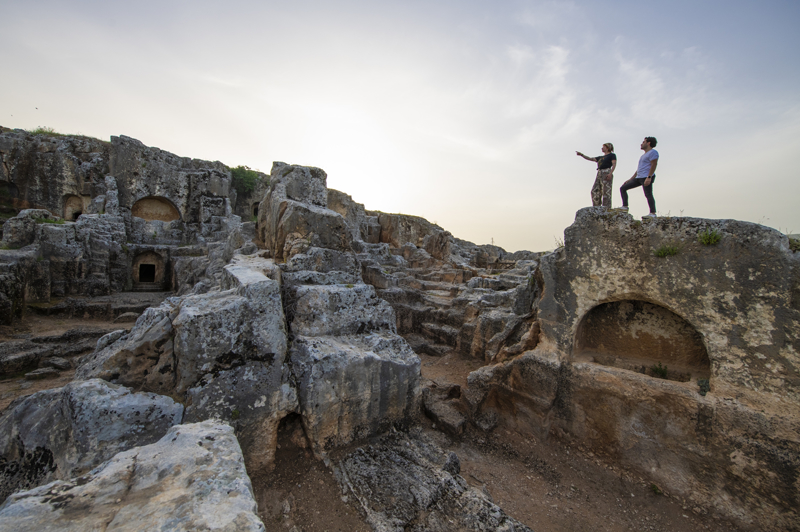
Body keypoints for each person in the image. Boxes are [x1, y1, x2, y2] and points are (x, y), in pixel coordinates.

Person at [619, 137, 659, 217]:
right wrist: (631, 179)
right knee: (623, 188)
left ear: (648, 143)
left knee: (648, 194)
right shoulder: (643, 156)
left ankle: (652, 213)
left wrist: (649, 177)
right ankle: (625, 207)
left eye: (643, 142)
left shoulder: (653, 152)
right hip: (638, 178)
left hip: (646, 177)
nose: (641, 143)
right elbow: (639, 169)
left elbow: (654, 165)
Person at [576, 143, 616, 208]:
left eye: (604, 147)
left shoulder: (612, 155)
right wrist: (582, 155)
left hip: (606, 172)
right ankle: (597, 207)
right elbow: (590, 158)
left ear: (608, 148)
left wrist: (610, 173)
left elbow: (614, 164)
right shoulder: (600, 157)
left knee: (606, 191)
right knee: (595, 190)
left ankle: (606, 208)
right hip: (599, 173)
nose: (602, 148)